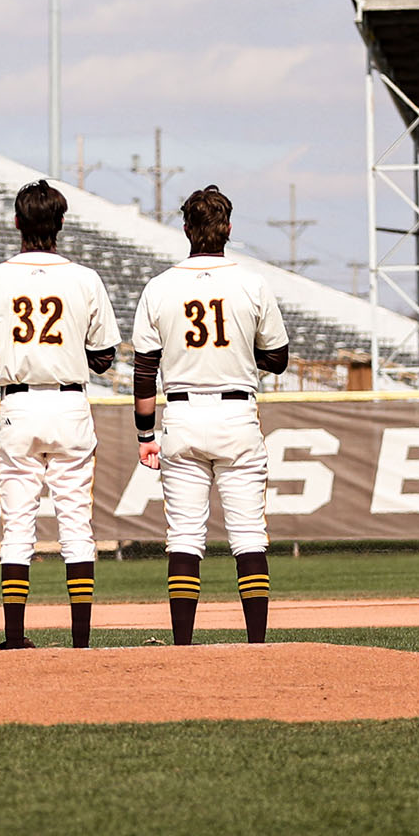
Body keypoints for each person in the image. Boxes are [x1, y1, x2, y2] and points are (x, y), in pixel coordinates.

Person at [131, 186, 290, 646]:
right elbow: (277, 358)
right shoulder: (251, 282)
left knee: (183, 537)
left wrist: (145, 434)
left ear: (185, 230)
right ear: (228, 229)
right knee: (248, 535)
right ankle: (256, 643)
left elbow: (144, 368)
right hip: (237, 412)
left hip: (180, 414)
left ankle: (183, 644)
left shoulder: (160, 286)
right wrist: (238, 352)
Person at [0, 181, 121, 649]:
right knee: (76, 524)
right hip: (69, 402)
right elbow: (104, 357)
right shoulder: (84, 278)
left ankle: (14, 636)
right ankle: (80, 641)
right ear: (59, 224)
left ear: (17, 222)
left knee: (17, 527)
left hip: (16, 406)